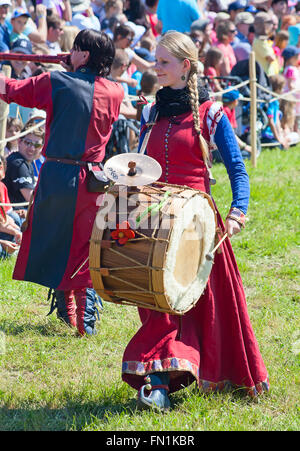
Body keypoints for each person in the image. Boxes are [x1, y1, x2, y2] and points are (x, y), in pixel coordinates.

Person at [121, 31, 269, 411]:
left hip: (198, 224)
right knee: (158, 304)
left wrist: (238, 212)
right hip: (155, 223)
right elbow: (139, 167)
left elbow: (237, 168)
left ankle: (186, 377)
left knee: (210, 309)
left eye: (164, 62)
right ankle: (159, 383)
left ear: (185, 67)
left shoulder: (210, 112)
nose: (156, 67)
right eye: (155, 60)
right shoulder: (150, 112)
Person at [0, 29, 124, 336]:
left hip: (58, 176)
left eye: (75, 48)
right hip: (93, 181)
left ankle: (72, 315)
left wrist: (63, 73)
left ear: (82, 54)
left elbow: (10, 88)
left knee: (58, 243)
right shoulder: (116, 91)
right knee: (83, 248)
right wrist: (72, 71)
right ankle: (83, 323)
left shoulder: (56, 81)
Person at [3, 119, 44, 204]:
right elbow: (32, 199)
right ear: (19, 141)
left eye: (37, 145)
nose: (32, 148)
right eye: (28, 142)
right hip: (15, 214)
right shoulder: (19, 164)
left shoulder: (22, 161)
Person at [282, 45, 300, 132]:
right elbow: (290, 84)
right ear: (291, 58)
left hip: (294, 96)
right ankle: (293, 131)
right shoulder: (290, 69)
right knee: (291, 114)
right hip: (291, 96)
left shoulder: (292, 68)